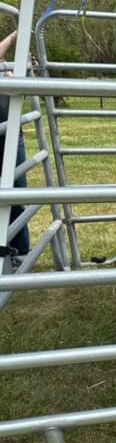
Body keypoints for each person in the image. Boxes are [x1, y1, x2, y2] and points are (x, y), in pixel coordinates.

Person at [0, 28, 29, 267]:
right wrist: (13, 37)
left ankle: (19, 253)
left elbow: (16, 91)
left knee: (16, 191)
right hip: (6, 127)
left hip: (10, 129)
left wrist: (12, 76)